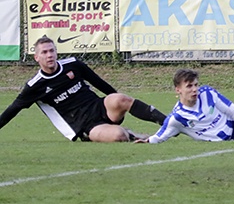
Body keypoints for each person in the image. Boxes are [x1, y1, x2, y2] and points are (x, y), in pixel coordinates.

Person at [0, 35, 167, 142]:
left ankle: (169, 124)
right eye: (44, 52)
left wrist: (118, 102)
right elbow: (12, 110)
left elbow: (100, 84)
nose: (49, 55)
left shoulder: (73, 65)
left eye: (52, 51)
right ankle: (134, 136)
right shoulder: (34, 86)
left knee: (120, 98)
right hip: (84, 126)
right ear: (36, 57)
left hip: (100, 108)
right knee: (118, 136)